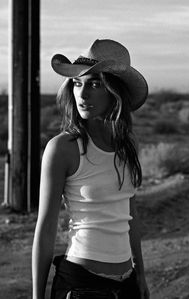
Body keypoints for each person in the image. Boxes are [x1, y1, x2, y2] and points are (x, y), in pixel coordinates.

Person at [32, 39, 150, 299]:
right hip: (81, 287)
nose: (82, 95)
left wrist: (140, 275)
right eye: (77, 83)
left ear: (115, 91)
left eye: (95, 84)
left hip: (127, 284)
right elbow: (46, 227)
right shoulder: (63, 148)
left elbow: (129, 216)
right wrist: (36, 296)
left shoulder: (128, 144)